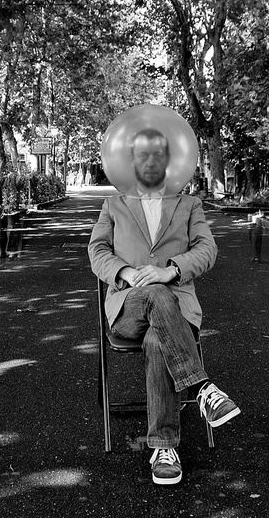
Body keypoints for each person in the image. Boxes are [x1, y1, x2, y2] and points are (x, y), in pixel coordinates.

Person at [88, 127, 240, 485]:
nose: (150, 161)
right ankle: (202, 388)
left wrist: (169, 271)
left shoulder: (189, 205)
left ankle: (164, 448)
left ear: (169, 160)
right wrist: (125, 272)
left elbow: (207, 250)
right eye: (143, 155)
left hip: (176, 311)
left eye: (158, 154)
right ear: (132, 161)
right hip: (128, 307)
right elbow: (97, 250)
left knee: (159, 339)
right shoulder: (114, 205)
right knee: (156, 295)